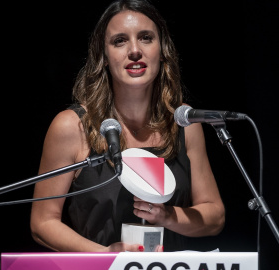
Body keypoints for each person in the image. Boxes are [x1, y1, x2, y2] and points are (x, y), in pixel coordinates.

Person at [30, 0, 225, 252]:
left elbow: (214, 216)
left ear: (162, 50)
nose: (134, 50)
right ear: (104, 56)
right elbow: (42, 222)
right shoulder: (72, 126)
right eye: (120, 41)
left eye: (146, 38)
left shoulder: (183, 122)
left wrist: (167, 216)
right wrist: (107, 256)